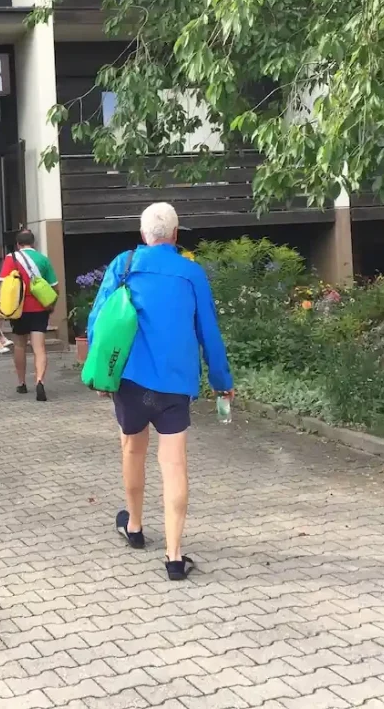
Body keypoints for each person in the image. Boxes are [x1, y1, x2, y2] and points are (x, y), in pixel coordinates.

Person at [87, 202, 233, 581]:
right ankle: (173, 555)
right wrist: (222, 382)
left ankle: (134, 527)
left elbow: (97, 321)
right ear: (176, 235)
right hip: (175, 385)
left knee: (133, 448)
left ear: (143, 236)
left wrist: (101, 374)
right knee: (174, 464)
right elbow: (209, 334)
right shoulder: (191, 272)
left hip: (132, 381)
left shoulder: (124, 264)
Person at [0, 229, 59, 402]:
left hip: (18, 310)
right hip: (39, 309)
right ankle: (40, 381)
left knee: (20, 346)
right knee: (40, 349)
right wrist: (51, 305)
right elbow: (54, 286)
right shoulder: (43, 260)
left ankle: (22, 383)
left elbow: (4, 287)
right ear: (34, 243)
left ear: (17, 244)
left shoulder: (10, 259)